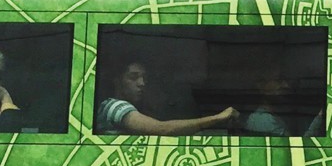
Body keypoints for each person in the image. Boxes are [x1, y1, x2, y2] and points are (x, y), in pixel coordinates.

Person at [95, 58, 235, 136]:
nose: (142, 83)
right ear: (117, 80)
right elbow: (162, 129)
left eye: (145, 78)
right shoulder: (114, 106)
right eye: (133, 77)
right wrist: (218, 117)